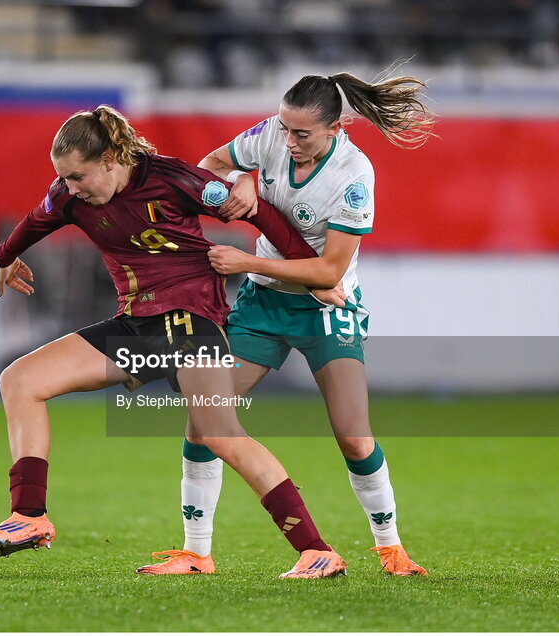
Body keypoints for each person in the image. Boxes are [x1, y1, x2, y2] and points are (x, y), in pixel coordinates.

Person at [0, 105, 348, 579]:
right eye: (63, 179)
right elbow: (34, 220)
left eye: (78, 176)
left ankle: (315, 550)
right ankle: (27, 517)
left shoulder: (172, 180)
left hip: (192, 323)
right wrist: (6, 256)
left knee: (219, 434)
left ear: (109, 159)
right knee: (21, 380)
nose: (70, 188)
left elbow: (260, 212)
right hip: (137, 327)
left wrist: (311, 272)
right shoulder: (70, 198)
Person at [137, 72, 434, 576]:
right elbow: (208, 165)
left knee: (353, 438)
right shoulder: (270, 136)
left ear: (337, 128)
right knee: (205, 418)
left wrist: (247, 262)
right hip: (262, 308)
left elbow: (328, 272)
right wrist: (241, 178)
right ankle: (195, 553)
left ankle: (391, 549)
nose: (288, 141)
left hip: (325, 311)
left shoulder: (354, 176)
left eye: (303, 134)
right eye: (284, 128)